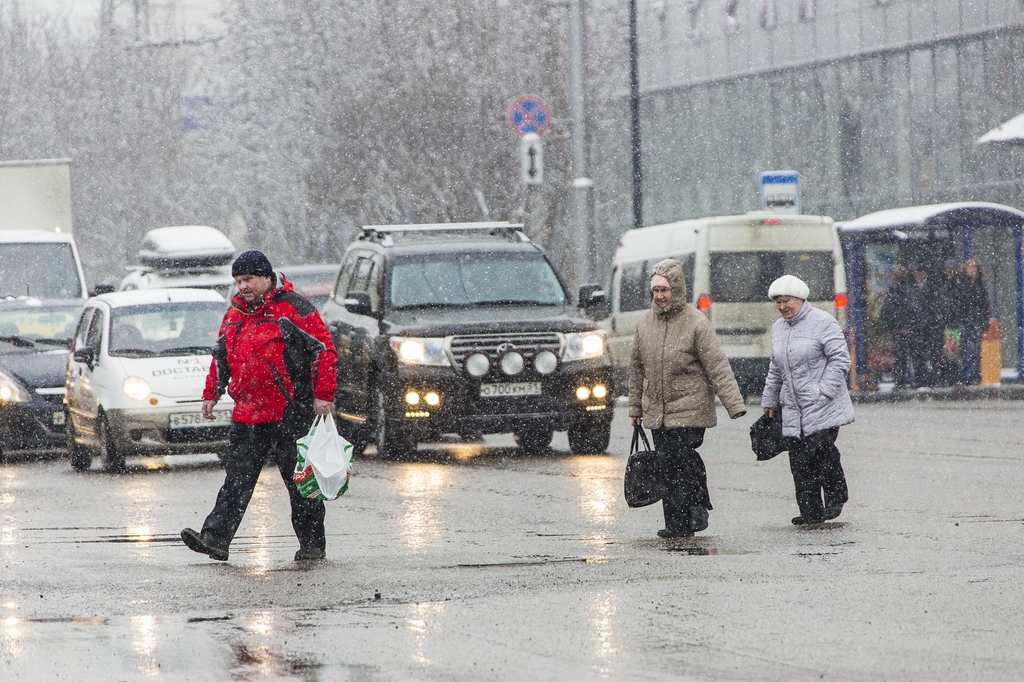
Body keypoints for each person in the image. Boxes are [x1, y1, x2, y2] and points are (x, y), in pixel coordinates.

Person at [181, 250, 338, 562]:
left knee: (300, 485)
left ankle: (312, 545)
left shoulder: (292, 308)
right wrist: (211, 392)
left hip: (290, 411)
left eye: (249, 279)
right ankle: (215, 539)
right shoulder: (234, 315)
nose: (243, 286)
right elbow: (221, 357)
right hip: (248, 414)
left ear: (267, 278)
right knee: (236, 481)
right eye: (239, 280)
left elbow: (324, 350)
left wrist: (323, 394)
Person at [628, 258, 746, 538]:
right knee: (667, 466)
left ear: (676, 290)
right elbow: (636, 369)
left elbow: (717, 365)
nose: (659, 297)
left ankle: (694, 509)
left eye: (664, 291)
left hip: (690, 408)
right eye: (655, 292)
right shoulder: (644, 324)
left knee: (681, 459)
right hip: (657, 410)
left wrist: (734, 404)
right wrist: (635, 407)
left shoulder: (696, 323)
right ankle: (677, 524)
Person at [761, 275, 854, 525]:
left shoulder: (823, 322)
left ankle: (836, 497)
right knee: (800, 461)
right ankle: (810, 511)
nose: (782, 307)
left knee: (821, 452)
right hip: (794, 407)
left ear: (801, 298)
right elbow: (775, 367)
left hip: (823, 404)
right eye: (778, 302)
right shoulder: (778, 328)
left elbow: (840, 359)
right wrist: (770, 399)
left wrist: (823, 391)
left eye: (787, 301)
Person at [957, 258, 992, 385]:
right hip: (965, 320)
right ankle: (965, 375)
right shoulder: (961, 283)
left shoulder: (980, 284)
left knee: (976, 349)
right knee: (965, 348)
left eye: (974, 267)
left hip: (976, 320)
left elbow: (985, 303)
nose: (971, 270)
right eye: (969, 267)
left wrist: (984, 319)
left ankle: (974, 375)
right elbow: (959, 302)